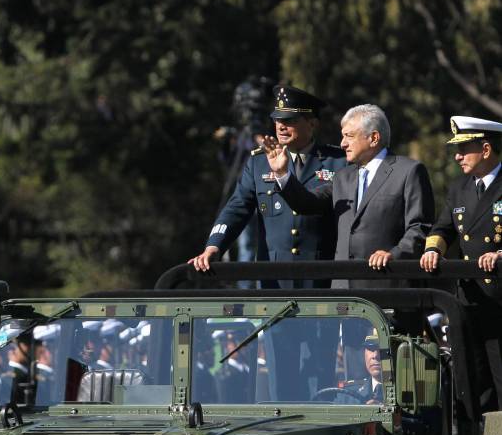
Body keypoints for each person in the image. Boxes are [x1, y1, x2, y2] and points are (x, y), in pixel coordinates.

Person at [190, 85, 347, 287]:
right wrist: (214, 246)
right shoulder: (259, 162)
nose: (281, 126)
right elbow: (237, 207)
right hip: (273, 280)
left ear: (312, 123)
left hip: (322, 279)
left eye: (290, 120)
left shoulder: (339, 162)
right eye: (277, 119)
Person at [267, 103, 435, 287]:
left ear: (374, 138)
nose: (342, 143)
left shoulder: (408, 171)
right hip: (343, 289)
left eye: (349, 136)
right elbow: (307, 203)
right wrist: (282, 174)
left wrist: (394, 254)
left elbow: (419, 227)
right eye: (342, 136)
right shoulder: (343, 177)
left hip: (387, 284)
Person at [421, 115, 502, 408]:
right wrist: (434, 250)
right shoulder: (459, 187)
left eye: (464, 148)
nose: (457, 156)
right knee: (473, 380)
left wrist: (500, 255)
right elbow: (442, 228)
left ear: (486, 149)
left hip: (499, 300)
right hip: (468, 298)